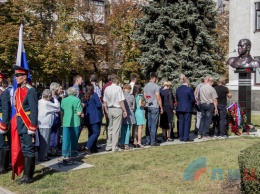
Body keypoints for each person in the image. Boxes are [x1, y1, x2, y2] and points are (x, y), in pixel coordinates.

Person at [13, 65, 38, 184]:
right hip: (20, 124)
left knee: (29, 149)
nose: (16, 78)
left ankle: (29, 176)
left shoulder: (30, 90)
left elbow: (34, 109)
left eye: (18, 76)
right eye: (15, 75)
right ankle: (25, 175)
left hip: (27, 124)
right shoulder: (18, 90)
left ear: (24, 76)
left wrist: (33, 126)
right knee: (24, 149)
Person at [103, 74, 127, 152]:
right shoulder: (118, 88)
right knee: (116, 128)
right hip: (117, 108)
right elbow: (121, 101)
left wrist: (106, 109)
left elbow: (104, 101)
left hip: (110, 109)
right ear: (116, 80)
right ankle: (114, 146)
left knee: (110, 127)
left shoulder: (107, 88)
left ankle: (109, 145)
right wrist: (124, 110)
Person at [38, 89, 60, 161]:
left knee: (42, 141)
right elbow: (57, 107)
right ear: (48, 96)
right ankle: (43, 156)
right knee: (45, 141)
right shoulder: (47, 103)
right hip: (46, 124)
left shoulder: (39, 101)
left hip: (40, 123)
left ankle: (43, 155)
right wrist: (55, 98)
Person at [60, 87, 82, 159]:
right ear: (75, 93)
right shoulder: (77, 100)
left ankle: (64, 153)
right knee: (74, 138)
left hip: (66, 120)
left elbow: (62, 111)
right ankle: (73, 153)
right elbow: (79, 113)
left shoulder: (63, 100)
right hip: (75, 121)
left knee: (65, 138)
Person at [144, 72, 163, 146]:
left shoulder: (146, 86)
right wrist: (161, 107)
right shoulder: (156, 86)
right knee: (154, 124)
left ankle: (148, 140)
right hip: (154, 106)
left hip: (147, 106)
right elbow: (158, 97)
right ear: (154, 78)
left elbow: (145, 96)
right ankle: (153, 141)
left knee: (148, 123)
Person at [83, 84, 102, 154]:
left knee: (91, 133)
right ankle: (88, 146)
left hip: (87, 117)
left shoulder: (85, 96)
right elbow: (99, 105)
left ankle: (92, 148)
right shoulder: (94, 95)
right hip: (94, 117)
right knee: (96, 132)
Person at [176, 78, 195, 142]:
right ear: (188, 82)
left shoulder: (178, 89)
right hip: (187, 108)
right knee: (187, 123)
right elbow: (192, 100)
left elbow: (177, 98)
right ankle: (186, 137)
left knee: (181, 122)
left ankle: (181, 137)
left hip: (180, 107)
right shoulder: (189, 89)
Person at [0, 73, 11, 174]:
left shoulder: (3, 92)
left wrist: (4, 124)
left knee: (3, 143)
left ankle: (3, 166)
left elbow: (6, 109)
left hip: (1, 119)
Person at [121, 84, 136, 150]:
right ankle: (126, 144)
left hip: (122, 113)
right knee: (128, 129)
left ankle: (122, 143)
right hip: (129, 114)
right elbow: (133, 106)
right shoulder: (131, 96)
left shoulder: (121, 95)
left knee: (123, 129)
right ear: (129, 89)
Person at [49, 82, 62, 156]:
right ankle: (52, 150)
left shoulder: (57, 97)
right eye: (59, 89)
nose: (60, 90)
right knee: (52, 134)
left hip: (56, 117)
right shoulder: (50, 97)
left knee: (56, 133)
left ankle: (54, 149)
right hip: (52, 117)